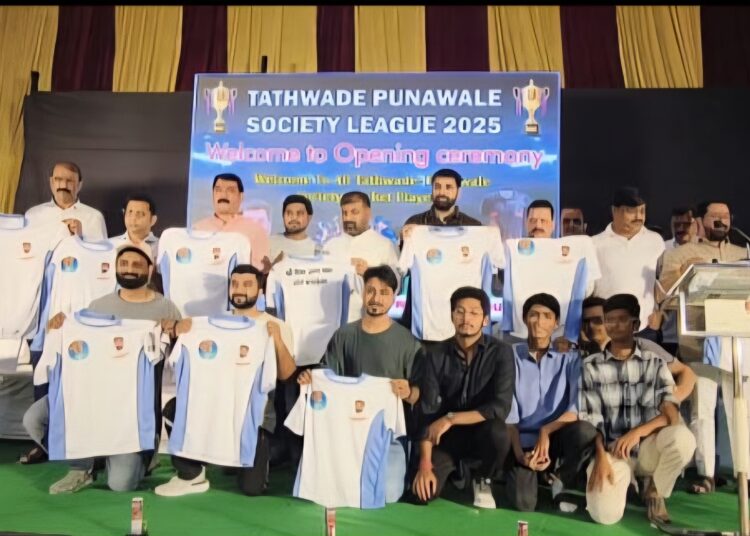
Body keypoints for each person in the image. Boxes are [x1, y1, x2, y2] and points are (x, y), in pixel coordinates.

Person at [22, 243, 182, 493]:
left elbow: (178, 350)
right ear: (116, 268)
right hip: (90, 394)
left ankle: (142, 457)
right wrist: (61, 326)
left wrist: (175, 329)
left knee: (121, 484)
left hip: (131, 406)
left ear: (150, 270)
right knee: (34, 419)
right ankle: (82, 465)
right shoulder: (97, 306)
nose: (129, 269)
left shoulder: (166, 308)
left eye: (137, 265)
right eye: (124, 264)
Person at [155, 264, 296, 497]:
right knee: (173, 409)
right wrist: (179, 330)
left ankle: (248, 454)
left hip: (253, 419)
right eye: (235, 284)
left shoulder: (274, 326)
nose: (239, 289)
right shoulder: (206, 325)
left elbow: (286, 375)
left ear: (260, 291)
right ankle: (191, 473)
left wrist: (278, 342)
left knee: (252, 489)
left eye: (247, 284)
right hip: (214, 411)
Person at [298, 265, 422, 502]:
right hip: (345, 430)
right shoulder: (344, 335)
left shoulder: (407, 342)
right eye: (371, 290)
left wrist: (408, 392)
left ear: (394, 296)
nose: (376, 298)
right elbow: (325, 378)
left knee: (388, 493)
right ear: (363, 293)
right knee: (332, 486)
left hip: (387, 434)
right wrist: (310, 381)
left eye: (384, 292)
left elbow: (420, 395)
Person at [580, 294, 695, 525]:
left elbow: (671, 414)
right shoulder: (591, 366)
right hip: (614, 452)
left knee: (683, 440)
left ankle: (655, 490)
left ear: (636, 324)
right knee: (604, 515)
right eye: (609, 320)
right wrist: (601, 458)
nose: (614, 325)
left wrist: (637, 433)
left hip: (649, 448)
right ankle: (628, 482)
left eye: (622, 319)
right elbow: (591, 421)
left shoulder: (654, 362)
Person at [659, 201, 749, 495]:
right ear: (699, 221)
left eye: (726, 216)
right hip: (698, 343)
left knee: (740, 410)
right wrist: (684, 272)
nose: (721, 220)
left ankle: (744, 472)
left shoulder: (743, 254)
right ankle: (706, 473)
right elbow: (665, 296)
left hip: (737, 344)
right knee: (703, 410)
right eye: (715, 216)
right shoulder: (678, 254)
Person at [408, 287, 514, 509]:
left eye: (474, 313)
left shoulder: (501, 352)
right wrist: (425, 464)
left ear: (485, 319)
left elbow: (500, 407)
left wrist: (451, 418)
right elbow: (427, 412)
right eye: (460, 311)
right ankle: (454, 472)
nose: (466, 318)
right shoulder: (434, 354)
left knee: (499, 432)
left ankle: (482, 478)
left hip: (481, 432)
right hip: (445, 439)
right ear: (451, 315)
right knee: (422, 495)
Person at [505, 294, 598, 512]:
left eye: (547, 316)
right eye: (534, 315)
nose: (539, 321)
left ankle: (562, 477)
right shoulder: (510, 355)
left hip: (557, 437)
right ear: (524, 319)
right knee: (523, 504)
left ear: (556, 323)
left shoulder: (571, 357)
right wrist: (521, 456)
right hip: (523, 442)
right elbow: (509, 417)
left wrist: (546, 431)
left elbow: (576, 407)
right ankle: (532, 472)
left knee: (585, 431)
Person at [579, 295, 696, 403]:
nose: (591, 325)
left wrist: (674, 398)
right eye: (586, 321)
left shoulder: (641, 346)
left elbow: (685, 372)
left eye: (597, 320)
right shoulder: (578, 356)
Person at [592, 186, 665, 331]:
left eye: (642, 211)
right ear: (614, 211)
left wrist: (660, 313)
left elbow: (663, 283)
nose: (638, 216)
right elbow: (587, 290)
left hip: (645, 328)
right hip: (607, 329)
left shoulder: (656, 241)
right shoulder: (595, 244)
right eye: (631, 211)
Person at [193, 173, 271, 272]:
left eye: (230, 190)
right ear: (213, 194)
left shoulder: (256, 230)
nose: (223, 195)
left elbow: (264, 270)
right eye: (218, 190)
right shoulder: (197, 229)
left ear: (241, 196)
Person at [321, 191, 399, 278]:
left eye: (354, 212)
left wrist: (369, 273)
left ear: (368, 213)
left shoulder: (385, 246)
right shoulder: (330, 246)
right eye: (345, 213)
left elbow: (396, 281)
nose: (348, 218)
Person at [25, 161, 107, 241]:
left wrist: (80, 238)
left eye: (70, 181)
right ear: (51, 182)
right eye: (58, 179)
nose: (64, 185)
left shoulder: (95, 217)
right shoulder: (32, 215)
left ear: (79, 185)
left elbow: (103, 250)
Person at [401, 168, 481, 239]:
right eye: (437, 187)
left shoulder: (474, 226)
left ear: (459, 192)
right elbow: (404, 250)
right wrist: (402, 238)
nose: (442, 192)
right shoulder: (415, 222)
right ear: (432, 190)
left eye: (448, 187)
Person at [110, 193, 159, 262]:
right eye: (130, 212)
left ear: (153, 220)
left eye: (140, 214)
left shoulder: (161, 246)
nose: (133, 218)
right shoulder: (110, 245)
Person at [268, 194, 317, 262]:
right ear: (283, 216)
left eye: (299, 213)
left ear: (309, 217)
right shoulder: (268, 243)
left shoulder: (316, 249)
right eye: (289, 213)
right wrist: (275, 264)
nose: (294, 218)